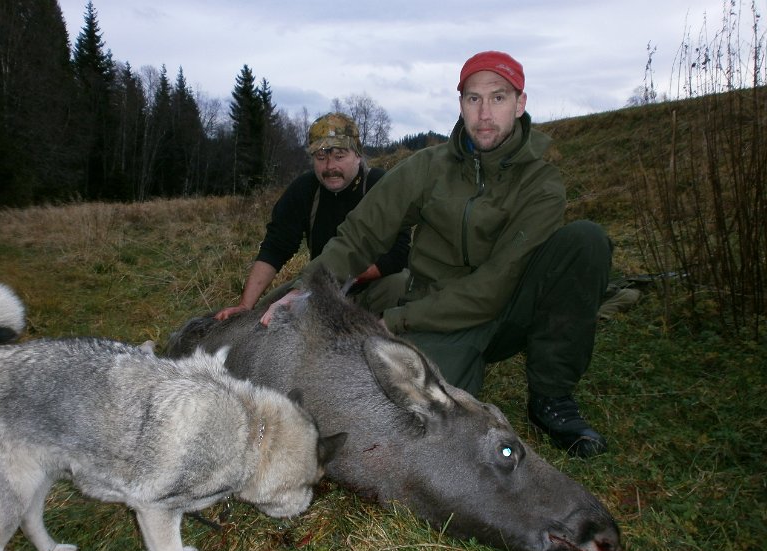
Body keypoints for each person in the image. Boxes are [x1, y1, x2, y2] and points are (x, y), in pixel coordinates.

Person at [262, 51, 614, 459]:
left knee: (585, 240)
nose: (484, 113)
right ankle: (457, 366)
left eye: (498, 98)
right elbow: (361, 232)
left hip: (509, 309)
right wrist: (308, 289)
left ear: (520, 104)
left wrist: (394, 321)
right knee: (419, 421)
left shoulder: (541, 183)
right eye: (472, 99)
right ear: (460, 103)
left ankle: (551, 398)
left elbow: (493, 287)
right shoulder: (426, 167)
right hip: (438, 313)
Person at [215, 113, 410, 320]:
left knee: (399, 283)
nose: (329, 167)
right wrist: (246, 305)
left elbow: (399, 253)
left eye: (339, 156)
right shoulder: (304, 189)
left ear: (358, 156)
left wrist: (338, 280)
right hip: (322, 286)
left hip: (370, 286)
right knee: (262, 318)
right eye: (321, 157)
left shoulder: (380, 185)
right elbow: (276, 247)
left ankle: (387, 338)